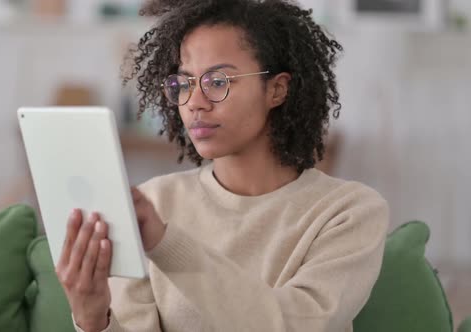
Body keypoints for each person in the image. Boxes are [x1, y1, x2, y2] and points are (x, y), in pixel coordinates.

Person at [55, 0, 389, 331]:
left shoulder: (348, 212)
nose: (195, 103)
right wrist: (93, 320)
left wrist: (166, 246)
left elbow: (297, 324)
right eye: (183, 84)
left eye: (218, 82)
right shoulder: (153, 203)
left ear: (277, 89)